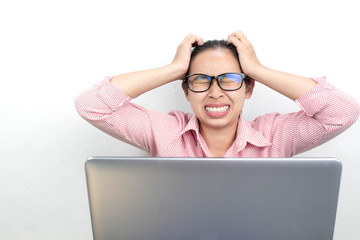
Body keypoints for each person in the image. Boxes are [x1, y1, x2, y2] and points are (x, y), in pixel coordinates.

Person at [75, 30, 360, 157]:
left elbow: (343, 111)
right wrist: (175, 68)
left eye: (230, 79)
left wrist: (257, 69)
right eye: (200, 80)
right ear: (186, 91)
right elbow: (91, 105)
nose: (215, 92)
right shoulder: (164, 132)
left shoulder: (275, 136)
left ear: (248, 88)